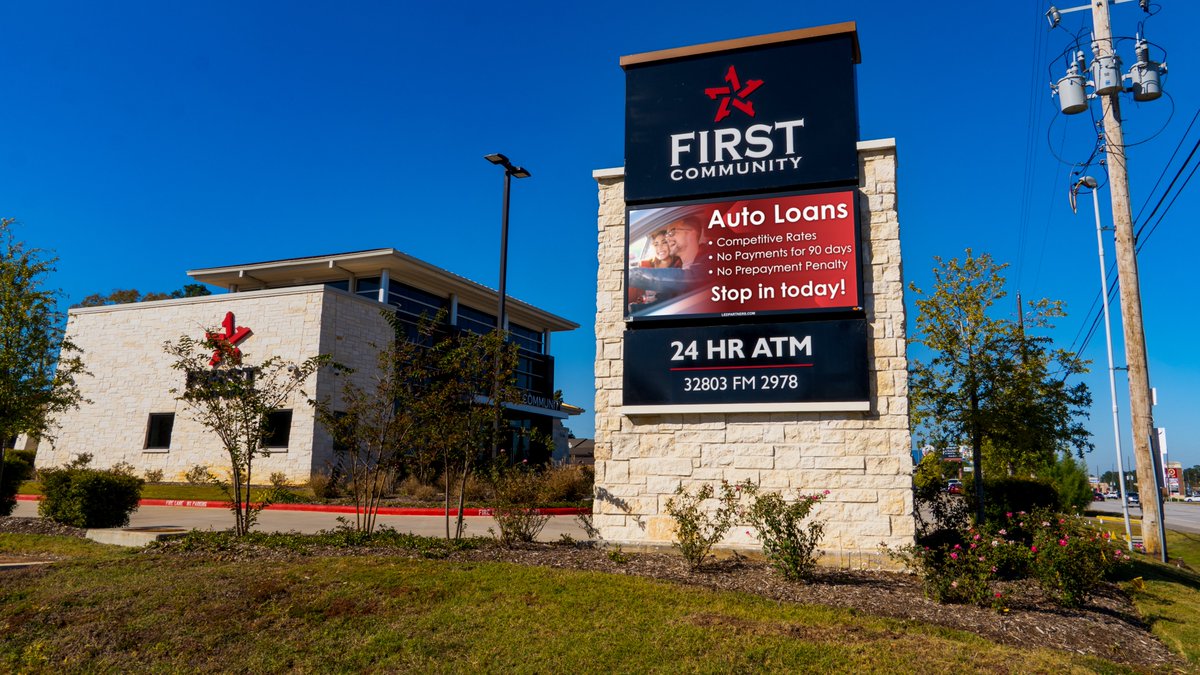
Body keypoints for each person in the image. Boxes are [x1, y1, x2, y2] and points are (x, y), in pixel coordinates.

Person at [627, 215, 708, 306]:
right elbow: (662, 301)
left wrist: (631, 276)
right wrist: (632, 309)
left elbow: (687, 279)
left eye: (672, 232)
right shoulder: (677, 266)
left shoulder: (711, 260)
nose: (667, 238)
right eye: (667, 235)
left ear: (691, 233)